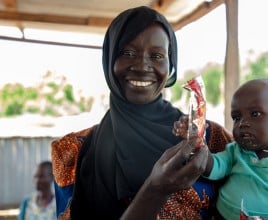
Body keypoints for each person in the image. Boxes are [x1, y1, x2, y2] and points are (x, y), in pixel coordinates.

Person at [50, 5, 233, 220]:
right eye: (127, 53)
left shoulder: (212, 139)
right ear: (109, 59)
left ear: (170, 64)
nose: (142, 65)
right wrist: (155, 189)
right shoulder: (71, 151)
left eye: (156, 55)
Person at [174, 78, 268, 220]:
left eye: (255, 114)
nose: (243, 123)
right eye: (236, 117)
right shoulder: (235, 151)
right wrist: (196, 140)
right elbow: (215, 167)